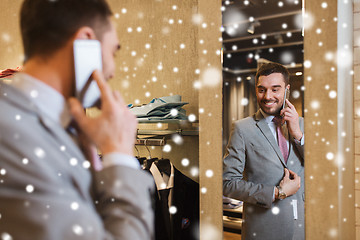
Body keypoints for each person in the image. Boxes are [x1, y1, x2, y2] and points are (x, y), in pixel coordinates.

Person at [0, 0, 154, 239]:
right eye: (113, 52)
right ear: (85, 41)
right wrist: (120, 155)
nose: (112, 70)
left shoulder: (47, 125)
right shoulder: (12, 136)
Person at [223, 62, 305, 240]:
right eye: (262, 90)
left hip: (302, 228)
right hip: (262, 230)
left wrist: (297, 134)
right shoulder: (242, 128)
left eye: (275, 89)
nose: (268, 96)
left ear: (287, 89)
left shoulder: (303, 125)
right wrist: (277, 193)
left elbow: (321, 170)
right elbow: (227, 183)